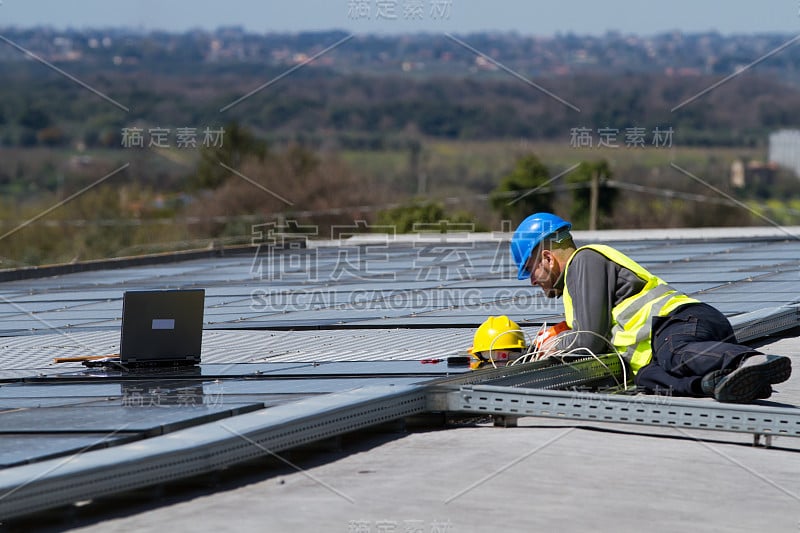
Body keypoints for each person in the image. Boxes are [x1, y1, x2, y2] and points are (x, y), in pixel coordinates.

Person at [510, 212, 792, 403]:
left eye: (530, 270)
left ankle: (748, 362)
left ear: (547, 258)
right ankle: (718, 382)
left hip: (680, 322)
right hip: (666, 345)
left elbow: (589, 341)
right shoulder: (576, 285)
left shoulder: (584, 261)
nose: (533, 281)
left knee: (674, 353)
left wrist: (557, 344)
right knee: (648, 377)